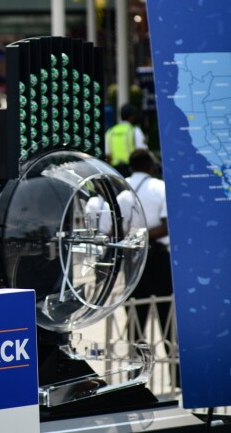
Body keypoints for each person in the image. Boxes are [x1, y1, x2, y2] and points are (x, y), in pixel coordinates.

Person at [121, 149, 175, 378]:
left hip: (132, 258)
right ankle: (178, 376)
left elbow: (111, 227)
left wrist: (135, 236)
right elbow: (166, 225)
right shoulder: (159, 187)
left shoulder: (121, 190)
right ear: (151, 166)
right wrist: (145, 235)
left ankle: (136, 376)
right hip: (158, 259)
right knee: (167, 316)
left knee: (135, 317)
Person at [105, 104, 147, 177]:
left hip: (115, 171)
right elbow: (142, 152)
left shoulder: (110, 132)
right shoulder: (135, 130)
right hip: (131, 169)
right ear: (132, 116)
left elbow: (108, 154)